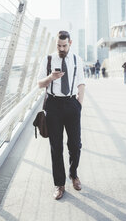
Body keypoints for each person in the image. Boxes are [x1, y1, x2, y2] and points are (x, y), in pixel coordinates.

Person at [38, 31, 85, 200]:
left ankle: (73, 174)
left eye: (64, 45)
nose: (61, 48)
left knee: (75, 145)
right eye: (58, 45)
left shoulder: (76, 59)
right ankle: (59, 184)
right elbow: (39, 84)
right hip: (53, 105)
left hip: (72, 104)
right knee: (55, 147)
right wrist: (51, 77)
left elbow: (81, 82)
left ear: (70, 43)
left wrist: (79, 104)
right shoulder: (48, 59)